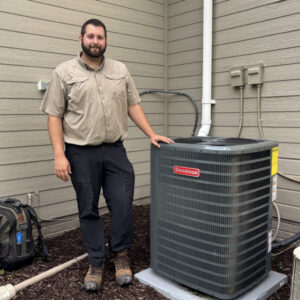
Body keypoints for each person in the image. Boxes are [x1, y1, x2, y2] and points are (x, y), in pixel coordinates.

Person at [40, 18, 173, 293]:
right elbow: (54, 115)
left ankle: (121, 255)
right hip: (79, 152)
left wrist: (151, 132)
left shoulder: (120, 70)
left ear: (105, 40)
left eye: (100, 37)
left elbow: (132, 104)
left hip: (115, 151)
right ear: (81, 39)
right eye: (90, 37)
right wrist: (58, 155)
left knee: (123, 203)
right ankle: (97, 261)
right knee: (88, 208)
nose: (95, 42)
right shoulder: (63, 72)